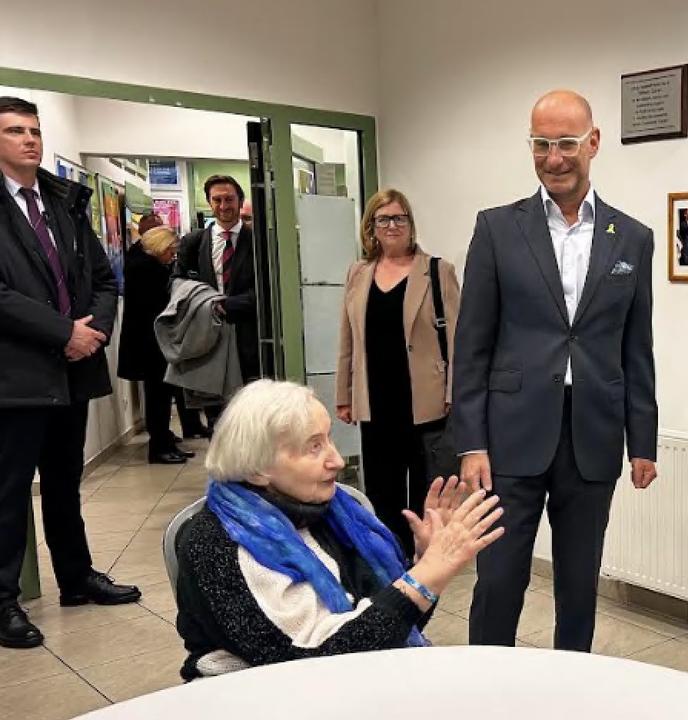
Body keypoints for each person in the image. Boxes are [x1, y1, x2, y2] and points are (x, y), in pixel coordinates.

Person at [453, 89, 658, 652]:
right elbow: (472, 346)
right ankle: (489, 691)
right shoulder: (497, 228)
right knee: (497, 581)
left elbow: (636, 348)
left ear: (593, 143)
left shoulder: (632, 238)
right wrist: (471, 441)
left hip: (592, 435)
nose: (554, 157)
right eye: (541, 144)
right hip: (508, 438)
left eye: (566, 143)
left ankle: (572, 693)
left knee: (578, 585)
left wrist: (644, 440)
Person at [174, 379, 504, 680]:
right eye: (313, 447)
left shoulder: (334, 515)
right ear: (258, 468)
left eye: (329, 438)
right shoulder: (218, 543)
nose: (337, 461)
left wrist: (424, 564)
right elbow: (316, 660)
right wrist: (425, 576)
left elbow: (390, 628)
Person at [0, 96, 142, 649]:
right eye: (15, 131)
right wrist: (65, 332)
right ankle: (4, 601)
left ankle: (77, 579)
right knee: (10, 493)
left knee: (64, 485)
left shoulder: (63, 204)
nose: (30, 140)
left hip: (72, 373)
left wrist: (94, 333)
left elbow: (106, 280)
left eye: (34, 130)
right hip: (18, 377)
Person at [336, 189, 462, 555]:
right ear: (371, 227)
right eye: (383, 219)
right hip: (375, 402)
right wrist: (344, 394)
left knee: (426, 493)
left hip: (425, 403)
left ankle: (424, 559)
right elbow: (348, 339)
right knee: (382, 491)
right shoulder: (358, 273)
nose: (392, 225)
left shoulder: (437, 271)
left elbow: (458, 340)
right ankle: (391, 559)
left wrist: (455, 391)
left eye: (399, 218)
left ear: (410, 224)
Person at [174, 175, 261, 408]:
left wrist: (228, 305)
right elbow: (177, 284)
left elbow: (267, 290)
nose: (224, 206)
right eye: (217, 200)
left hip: (249, 337)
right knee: (214, 412)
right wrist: (206, 303)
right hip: (207, 336)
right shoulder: (193, 243)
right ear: (209, 203)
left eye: (229, 199)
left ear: (240, 201)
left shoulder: (259, 242)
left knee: (249, 411)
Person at [119, 225, 199, 464]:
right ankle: (159, 447)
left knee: (161, 397)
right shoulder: (145, 270)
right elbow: (159, 304)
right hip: (151, 344)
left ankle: (164, 440)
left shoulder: (141, 264)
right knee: (158, 398)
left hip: (150, 343)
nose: (172, 256)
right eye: (170, 251)